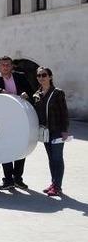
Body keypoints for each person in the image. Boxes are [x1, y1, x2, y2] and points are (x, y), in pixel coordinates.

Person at [0, 56, 34, 190]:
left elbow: (30, 90)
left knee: (21, 146)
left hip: (20, 117)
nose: (6, 67)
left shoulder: (20, 76)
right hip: (2, 118)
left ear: (12, 66)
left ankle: (18, 178)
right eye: (3, 65)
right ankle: (8, 179)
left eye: (8, 65)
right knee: (4, 146)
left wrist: (26, 94)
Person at [32, 67, 70, 197]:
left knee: (57, 158)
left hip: (57, 130)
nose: (41, 78)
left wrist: (65, 130)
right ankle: (53, 183)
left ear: (50, 77)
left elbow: (64, 113)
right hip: (46, 132)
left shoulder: (57, 93)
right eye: (39, 76)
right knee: (51, 159)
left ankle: (57, 186)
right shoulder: (37, 94)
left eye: (44, 75)